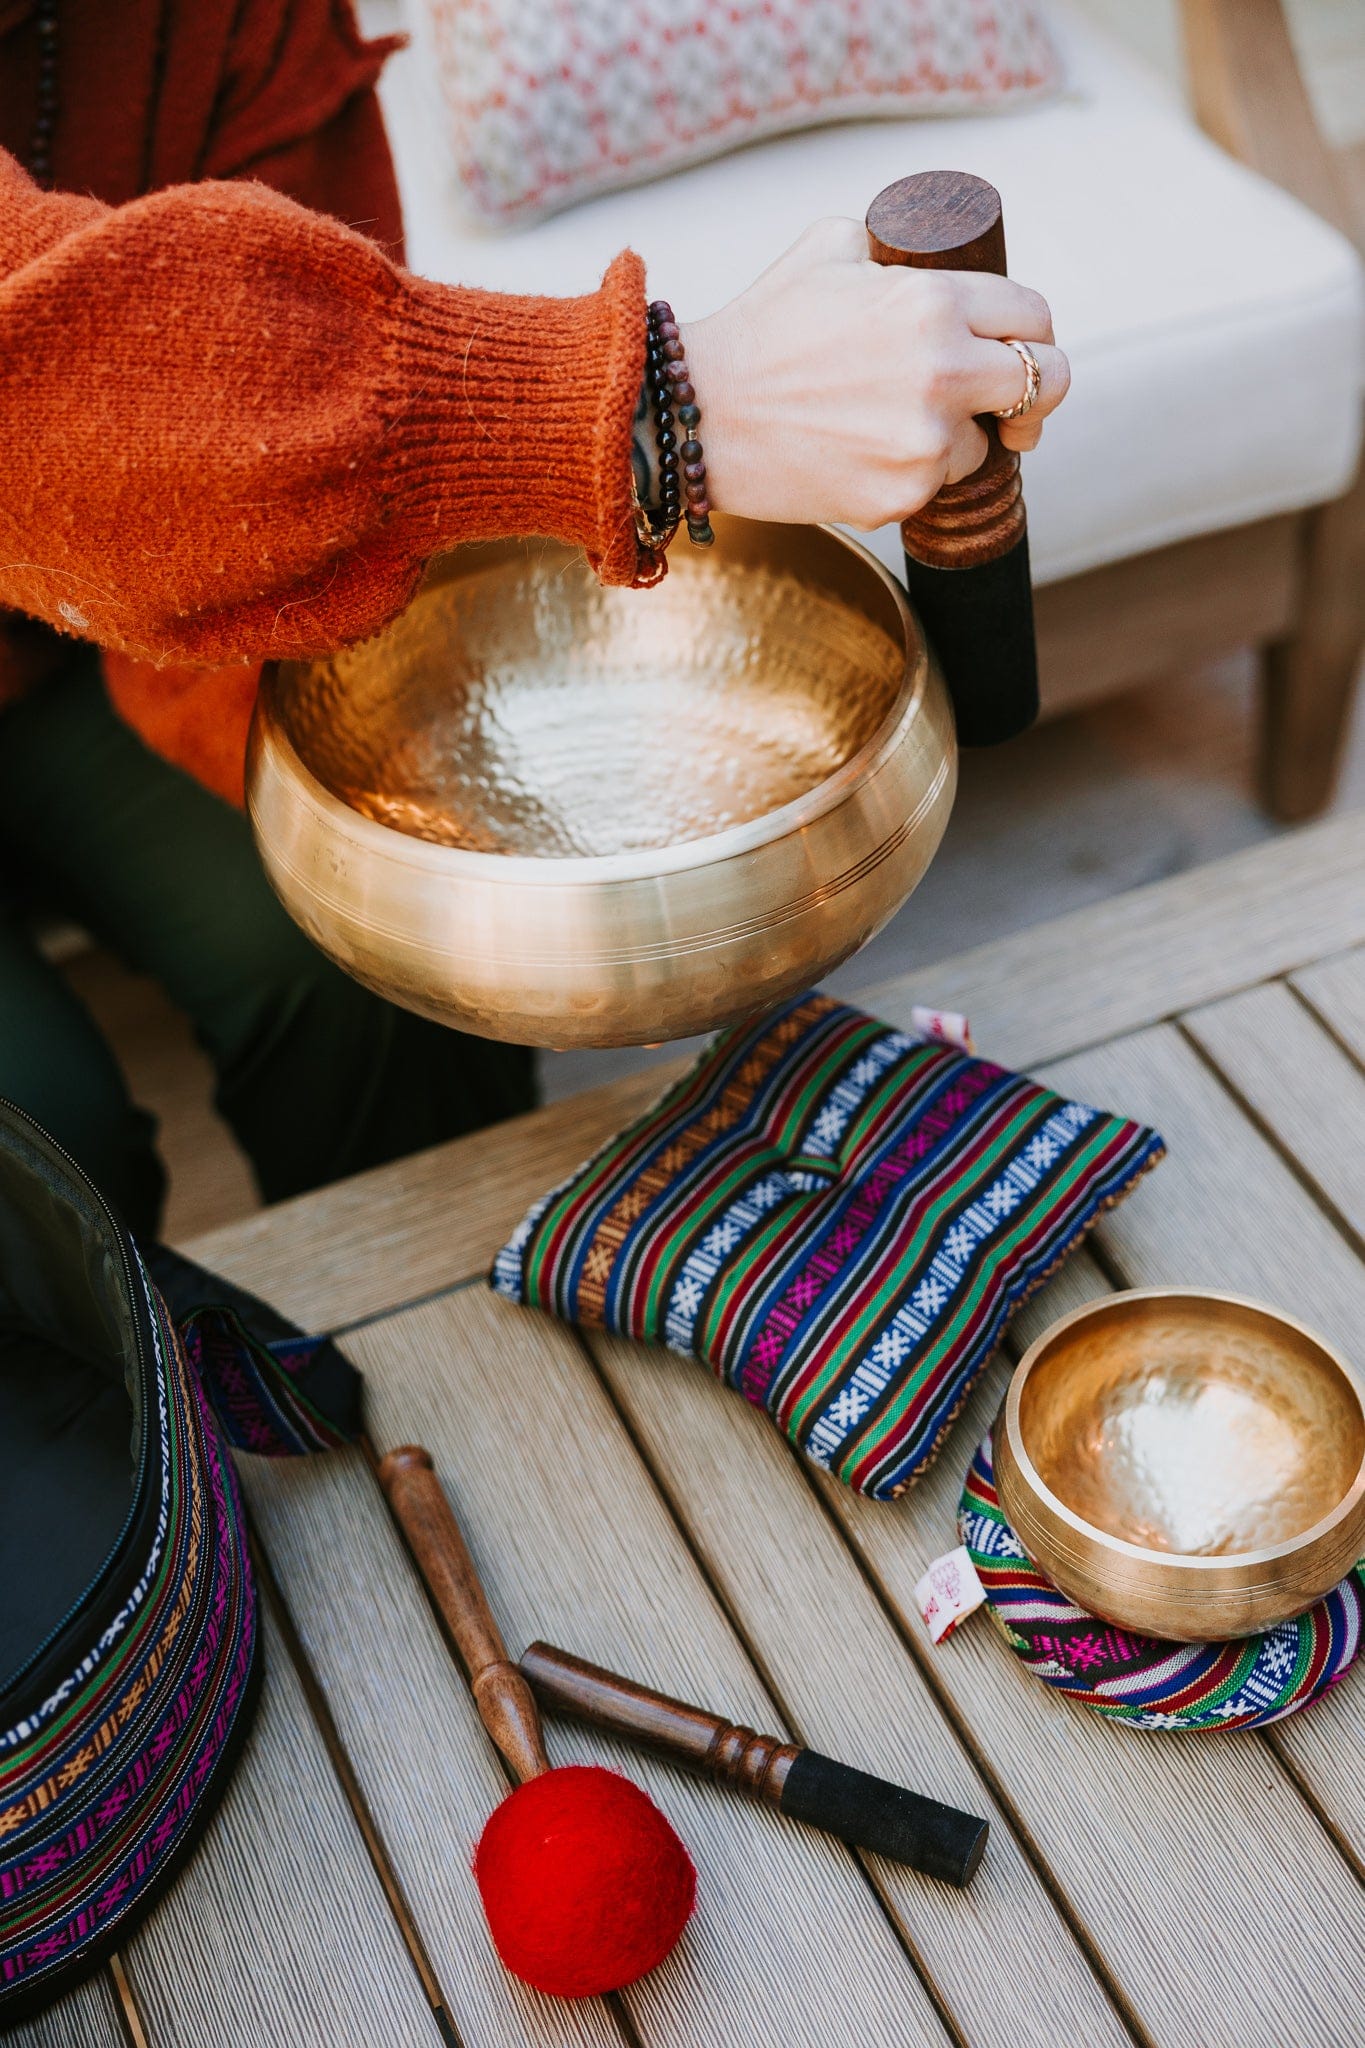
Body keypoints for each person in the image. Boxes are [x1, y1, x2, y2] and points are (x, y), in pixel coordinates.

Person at [0, 0, 1069, 1240]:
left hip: (118, 628)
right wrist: (653, 407)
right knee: (50, 1156)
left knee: (362, 982)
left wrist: (457, 827)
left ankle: (431, 1333)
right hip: (66, 563)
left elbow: (279, 411)